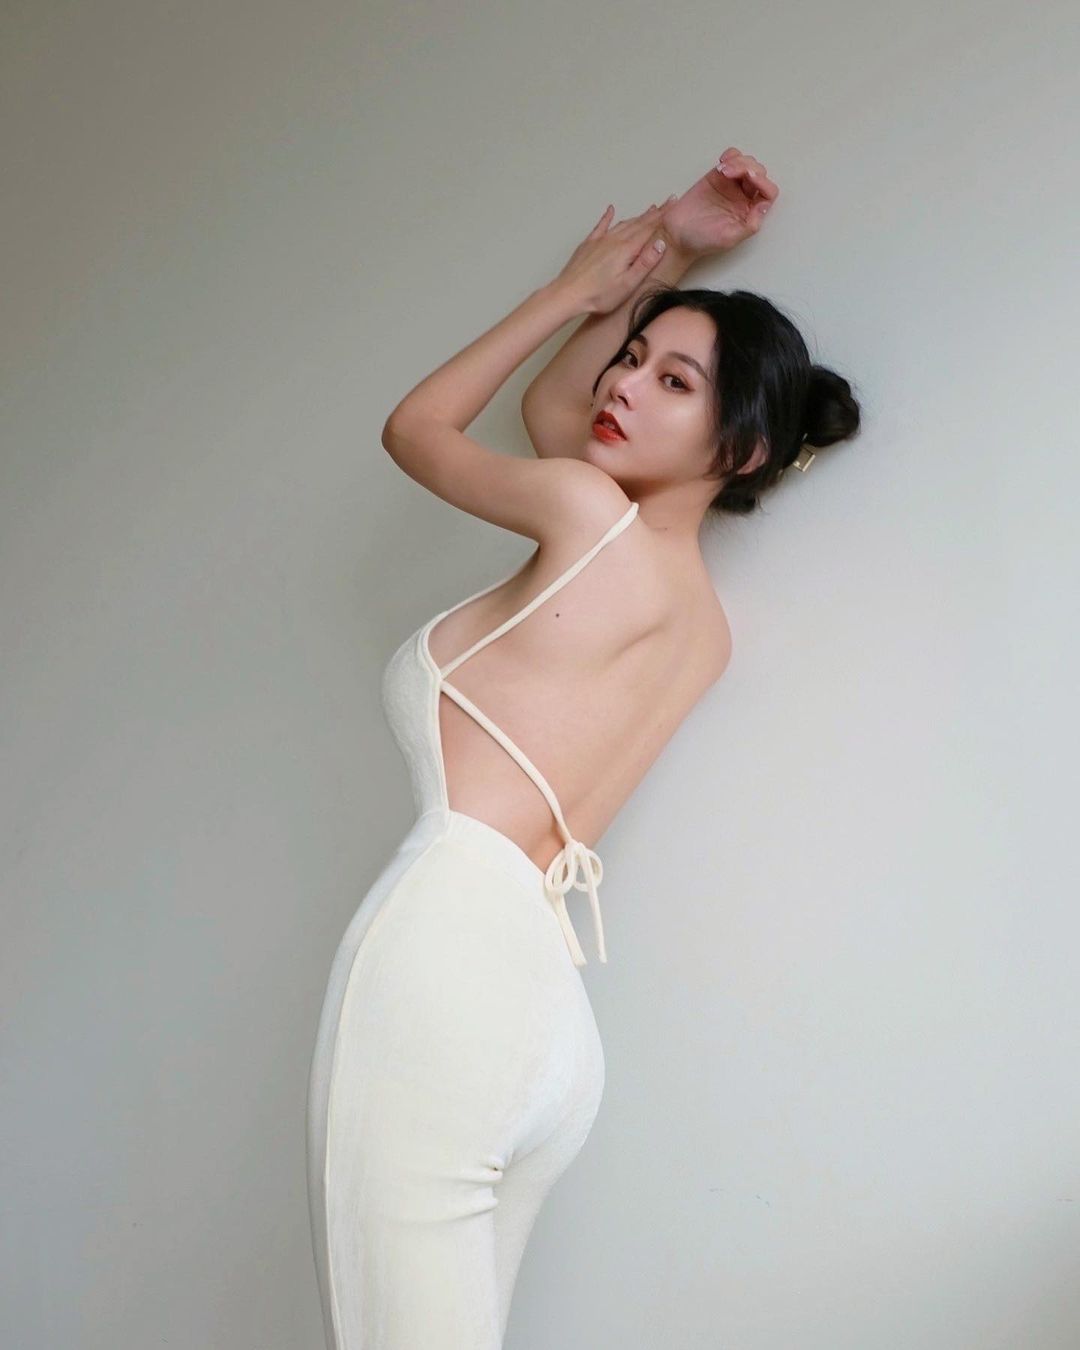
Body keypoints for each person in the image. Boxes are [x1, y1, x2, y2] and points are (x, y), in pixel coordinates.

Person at [306, 147, 861, 1349]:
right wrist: (672, 251)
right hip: (553, 1022)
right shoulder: (704, 629)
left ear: (743, 448)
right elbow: (564, 416)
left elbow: (418, 427)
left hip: (446, 961)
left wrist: (573, 289)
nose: (623, 383)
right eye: (630, 357)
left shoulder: (582, 516)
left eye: (674, 380)